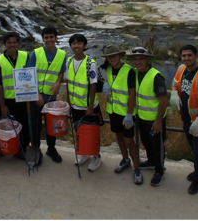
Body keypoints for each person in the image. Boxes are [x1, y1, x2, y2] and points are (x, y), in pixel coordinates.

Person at [170, 44, 198, 195]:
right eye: (184, 56)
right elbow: (175, 83)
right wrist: (174, 93)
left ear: (196, 56)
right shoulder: (182, 69)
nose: (186, 58)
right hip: (186, 118)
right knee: (194, 149)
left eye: (189, 55)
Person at [99, 44, 141, 184]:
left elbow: (132, 93)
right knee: (119, 136)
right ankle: (125, 159)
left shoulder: (129, 71)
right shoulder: (108, 68)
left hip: (126, 113)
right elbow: (104, 73)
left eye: (114, 56)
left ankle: (137, 168)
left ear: (120, 56)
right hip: (114, 111)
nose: (112, 58)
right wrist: (105, 83)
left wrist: (129, 114)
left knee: (129, 140)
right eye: (109, 56)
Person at [127, 47, 168, 187]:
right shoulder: (135, 73)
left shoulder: (156, 76)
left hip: (154, 120)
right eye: (135, 59)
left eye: (141, 59)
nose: (137, 62)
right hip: (141, 118)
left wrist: (158, 121)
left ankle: (159, 170)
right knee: (147, 143)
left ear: (147, 59)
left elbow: (163, 100)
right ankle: (151, 161)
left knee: (157, 146)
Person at [27, 25, 66, 164]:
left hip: (51, 97)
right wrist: (36, 93)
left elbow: (61, 72)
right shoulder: (36, 53)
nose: (49, 40)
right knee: (36, 125)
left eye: (51, 37)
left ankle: (51, 148)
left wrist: (58, 83)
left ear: (56, 38)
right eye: (46, 37)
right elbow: (29, 74)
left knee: (52, 125)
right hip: (36, 97)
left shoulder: (62, 54)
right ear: (43, 39)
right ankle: (37, 150)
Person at [65, 34, 102, 172]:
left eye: (79, 43)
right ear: (70, 46)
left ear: (84, 45)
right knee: (79, 130)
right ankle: (84, 154)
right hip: (75, 105)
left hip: (87, 106)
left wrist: (91, 106)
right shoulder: (69, 61)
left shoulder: (90, 63)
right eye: (73, 43)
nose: (76, 46)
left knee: (93, 131)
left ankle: (96, 156)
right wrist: (68, 102)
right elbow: (68, 82)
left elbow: (93, 85)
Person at [0, 31, 30, 160]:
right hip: (9, 100)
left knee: (25, 125)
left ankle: (23, 148)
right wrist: (2, 105)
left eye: (14, 42)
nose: (12, 45)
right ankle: (12, 148)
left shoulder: (26, 56)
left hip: (25, 99)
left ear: (18, 43)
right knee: (12, 127)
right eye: (9, 42)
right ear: (4, 44)